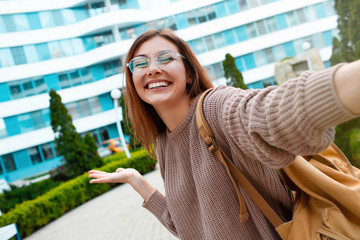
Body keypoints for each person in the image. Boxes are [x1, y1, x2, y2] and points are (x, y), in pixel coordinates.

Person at [88, 29, 360, 239]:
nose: (153, 69)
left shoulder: (214, 108)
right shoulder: (163, 144)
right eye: (140, 63)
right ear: (133, 80)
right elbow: (191, 227)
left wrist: (342, 86)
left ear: (189, 74)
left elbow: (269, 113)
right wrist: (138, 182)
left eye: (165, 58)